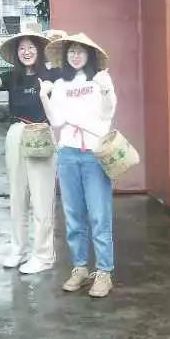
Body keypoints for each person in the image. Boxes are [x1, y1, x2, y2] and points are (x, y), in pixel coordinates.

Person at [39, 33, 117, 298]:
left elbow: (107, 113)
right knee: (73, 216)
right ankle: (80, 268)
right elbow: (56, 121)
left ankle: (104, 272)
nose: (75, 56)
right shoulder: (61, 84)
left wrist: (105, 89)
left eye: (80, 51)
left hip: (94, 154)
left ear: (90, 55)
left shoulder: (100, 80)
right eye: (71, 51)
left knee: (99, 214)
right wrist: (44, 96)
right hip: (68, 153)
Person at [0, 31, 59, 274]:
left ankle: (43, 255)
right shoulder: (12, 76)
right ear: (16, 53)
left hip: (42, 134)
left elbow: (70, 65)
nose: (26, 51)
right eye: (22, 48)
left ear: (39, 50)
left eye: (31, 47)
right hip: (16, 133)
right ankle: (18, 249)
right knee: (17, 195)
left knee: (42, 197)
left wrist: (60, 38)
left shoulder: (51, 74)